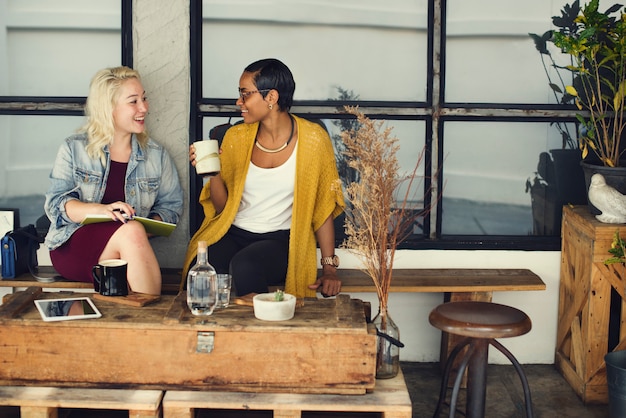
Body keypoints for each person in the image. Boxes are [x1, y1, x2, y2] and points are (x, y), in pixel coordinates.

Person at [182, 58, 345, 298]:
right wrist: (213, 174)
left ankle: (261, 332)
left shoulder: (313, 140)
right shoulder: (235, 137)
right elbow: (222, 209)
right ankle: (209, 333)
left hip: (281, 239)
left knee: (245, 265)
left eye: (245, 94)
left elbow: (323, 209)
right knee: (200, 267)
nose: (239, 102)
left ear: (271, 97)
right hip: (234, 231)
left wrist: (329, 269)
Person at [44, 66, 183, 295]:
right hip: (73, 244)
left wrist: (131, 228)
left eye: (144, 99)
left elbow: (171, 208)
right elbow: (57, 205)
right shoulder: (74, 148)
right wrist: (105, 212)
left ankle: (141, 321)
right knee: (131, 232)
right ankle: (152, 323)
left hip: (127, 248)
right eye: (133, 101)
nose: (144, 108)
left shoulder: (156, 155)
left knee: (132, 232)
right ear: (109, 108)